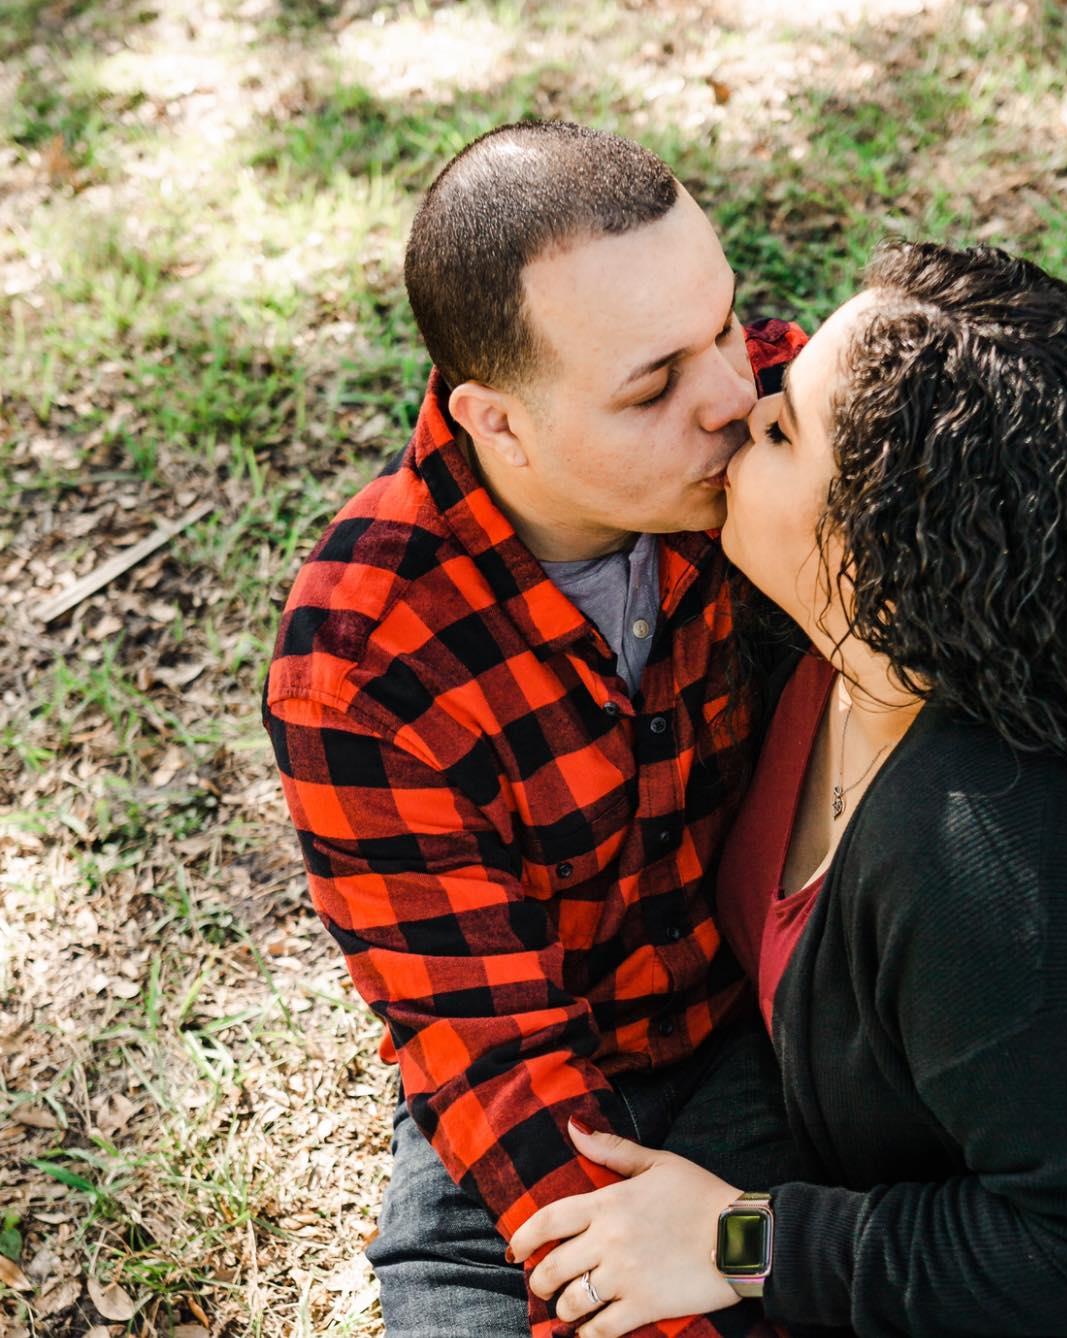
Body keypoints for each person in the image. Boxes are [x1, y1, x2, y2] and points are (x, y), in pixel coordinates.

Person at [510, 240, 1067, 1338]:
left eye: (786, 430)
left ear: (885, 538)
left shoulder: (995, 867)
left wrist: (740, 1242)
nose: (745, 408)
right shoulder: (827, 657)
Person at [263, 120, 809, 1337]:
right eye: (653, 384)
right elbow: (490, 1057)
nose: (731, 395)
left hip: (768, 1037)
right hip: (517, 1093)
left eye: (723, 321)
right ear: (496, 421)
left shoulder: (785, 426)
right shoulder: (362, 663)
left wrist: (729, 1253)